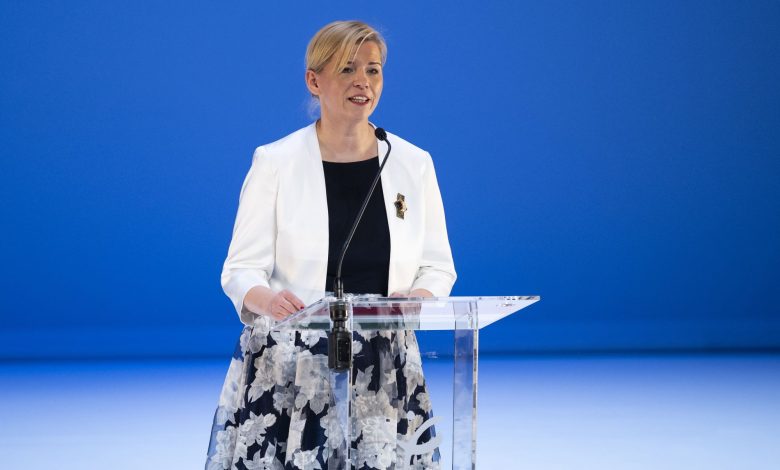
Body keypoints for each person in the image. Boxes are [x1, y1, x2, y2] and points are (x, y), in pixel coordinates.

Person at [206, 20, 456, 470]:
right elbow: (240, 269)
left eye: (373, 70)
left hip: (383, 360)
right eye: (347, 69)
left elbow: (437, 266)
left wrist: (417, 298)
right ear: (314, 80)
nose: (363, 81)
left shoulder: (413, 163)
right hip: (292, 358)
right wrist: (266, 299)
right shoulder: (276, 162)